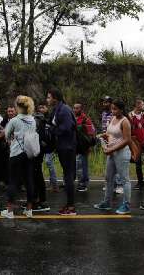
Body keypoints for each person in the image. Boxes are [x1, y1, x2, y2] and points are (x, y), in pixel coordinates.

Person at [94, 98, 133, 215]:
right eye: (112, 109)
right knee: (108, 177)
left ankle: (126, 205)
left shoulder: (125, 121)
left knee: (124, 179)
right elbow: (111, 133)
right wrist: (104, 135)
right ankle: (106, 202)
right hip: (111, 152)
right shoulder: (112, 118)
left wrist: (112, 148)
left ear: (121, 110)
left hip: (121, 153)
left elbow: (127, 140)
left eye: (115, 109)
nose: (113, 111)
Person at [1, 95, 37, 219]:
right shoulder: (32, 120)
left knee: (13, 181)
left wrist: (12, 137)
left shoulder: (15, 120)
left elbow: (6, 135)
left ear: (18, 106)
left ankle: (10, 211)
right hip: (29, 153)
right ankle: (29, 210)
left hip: (16, 153)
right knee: (29, 181)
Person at [47, 88, 78, 216]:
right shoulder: (57, 109)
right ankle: (69, 205)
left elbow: (66, 128)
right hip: (62, 146)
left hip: (67, 148)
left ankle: (71, 207)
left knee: (68, 177)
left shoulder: (64, 110)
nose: (47, 99)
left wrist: (52, 129)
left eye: (49, 97)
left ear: (55, 98)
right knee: (67, 176)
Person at [128, 99, 144, 191]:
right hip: (136, 142)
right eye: (143, 105)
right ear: (137, 106)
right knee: (138, 163)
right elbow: (129, 129)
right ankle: (140, 183)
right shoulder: (130, 116)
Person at [36, 102, 59, 192]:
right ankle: (41, 184)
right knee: (39, 164)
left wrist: (55, 144)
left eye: (43, 107)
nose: (41, 109)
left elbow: (54, 131)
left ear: (47, 108)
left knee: (49, 162)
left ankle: (54, 185)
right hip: (40, 145)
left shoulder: (51, 117)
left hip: (50, 145)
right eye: (40, 107)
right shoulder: (36, 118)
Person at [73, 102, 95, 192]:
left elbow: (91, 132)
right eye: (74, 108)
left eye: (77, 108)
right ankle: (80, 182)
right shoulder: (73, 118)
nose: (75, 110)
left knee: (82, 165)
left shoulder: (85, 119)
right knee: (78, 165)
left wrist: (90, 146)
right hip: (76, 145)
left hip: (84, 146)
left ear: (81, 109)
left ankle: (83, 183)